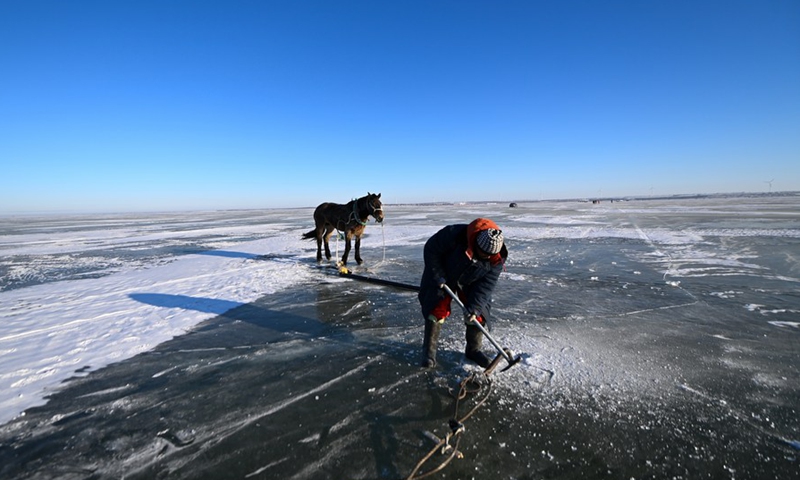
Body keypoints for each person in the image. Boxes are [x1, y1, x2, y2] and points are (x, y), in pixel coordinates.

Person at [418, 218, 508, 368]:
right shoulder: (454, 234)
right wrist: (437, 274)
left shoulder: (497, 259)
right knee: (436, 309)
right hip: (445, 274)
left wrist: (474, 307)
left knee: (478, 314)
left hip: (472, 280)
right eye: (483, 254)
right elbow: (431, 249)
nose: (485, 258)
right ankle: (429, 353)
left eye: (489, 256)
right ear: (476, 243)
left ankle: (473, 350)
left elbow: (486, 285)